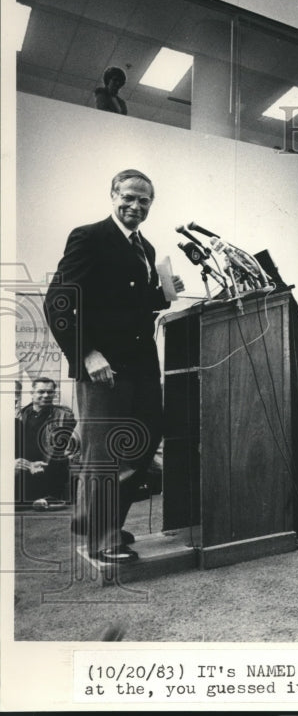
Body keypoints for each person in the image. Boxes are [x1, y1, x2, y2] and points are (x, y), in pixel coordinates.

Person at [44, 169, 184, 564]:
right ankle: (101, 537)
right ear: (112, 195)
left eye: (144, 201)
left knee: (142, 442)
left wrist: (164, 294)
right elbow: (59, 300)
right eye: (129, 197)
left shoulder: (147, 249)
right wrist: (85, 353)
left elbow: (127, 303)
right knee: (103, 454)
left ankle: (100, 522)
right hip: (101, 367)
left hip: (141, 367)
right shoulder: (89, 237)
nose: (136, 206)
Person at [14, 377, 77, 505]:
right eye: (41, 391)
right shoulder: (21, 414)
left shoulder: (64, 415)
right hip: (25, 469)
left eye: (50, 392)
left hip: (50, 469)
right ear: (32, 393)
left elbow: (59, 446)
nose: (46, 395)